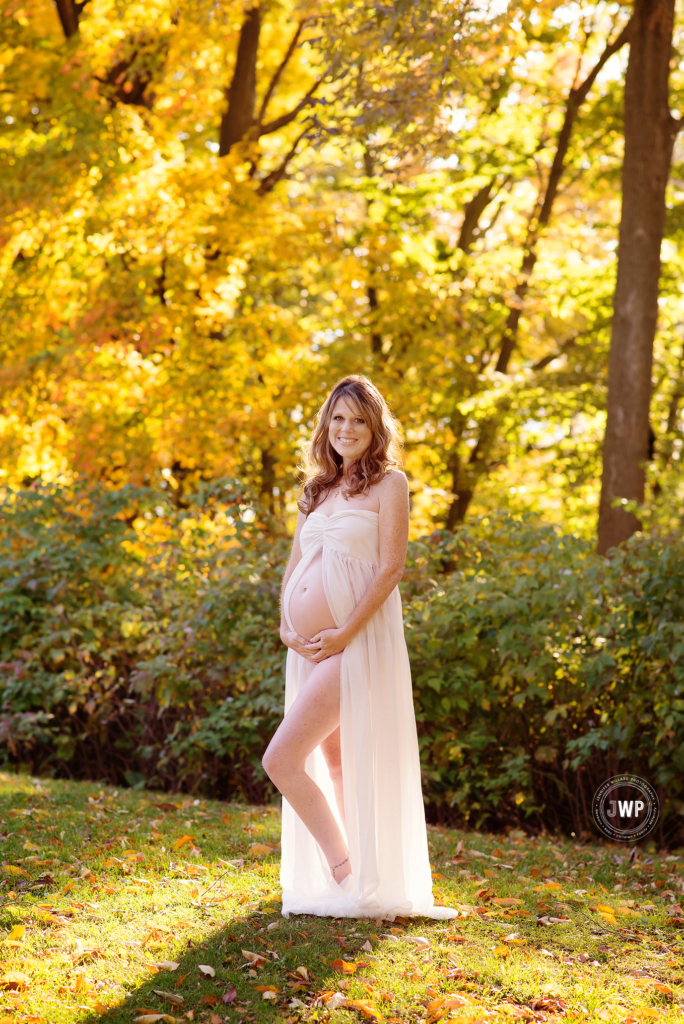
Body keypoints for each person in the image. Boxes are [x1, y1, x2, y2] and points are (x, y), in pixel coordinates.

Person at [262, 375, 456, 920]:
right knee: (336, 761)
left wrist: (345, 632)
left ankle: (345, 874)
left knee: (281, 759)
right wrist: (285, 624)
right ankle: (364, 874)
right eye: (338, 418)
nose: (347, 429)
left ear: (376, 428)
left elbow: (392, 567)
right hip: (309, 649)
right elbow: (294, 568)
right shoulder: (315, 490)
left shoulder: (390, 485)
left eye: (359, 420)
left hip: (354, 644)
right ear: (327, 425)